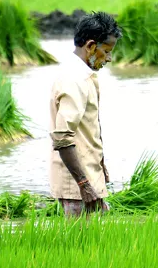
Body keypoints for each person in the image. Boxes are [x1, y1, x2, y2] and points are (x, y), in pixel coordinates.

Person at [49, 11, 122, 217]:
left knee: (92, 244)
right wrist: (83, 183)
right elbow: (62, 137)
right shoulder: (74, 80)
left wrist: (100, 164)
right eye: (106, 51)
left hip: (88, 177)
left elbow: (87, 130)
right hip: (78, 186)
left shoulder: (84, 75)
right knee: (80, 244)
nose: (109, 58)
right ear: (90, 46)